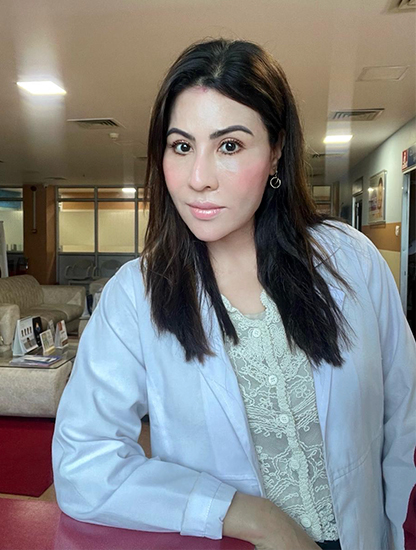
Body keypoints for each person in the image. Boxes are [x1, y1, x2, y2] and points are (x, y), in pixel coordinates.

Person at [52, 39, 416, 550]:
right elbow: (83, 463)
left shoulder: (350, 260)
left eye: (229, 146)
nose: (199, 179)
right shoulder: (135, 296)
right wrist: (246, 514)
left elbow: (404, 415)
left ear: (276, 151)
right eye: (182, 147)